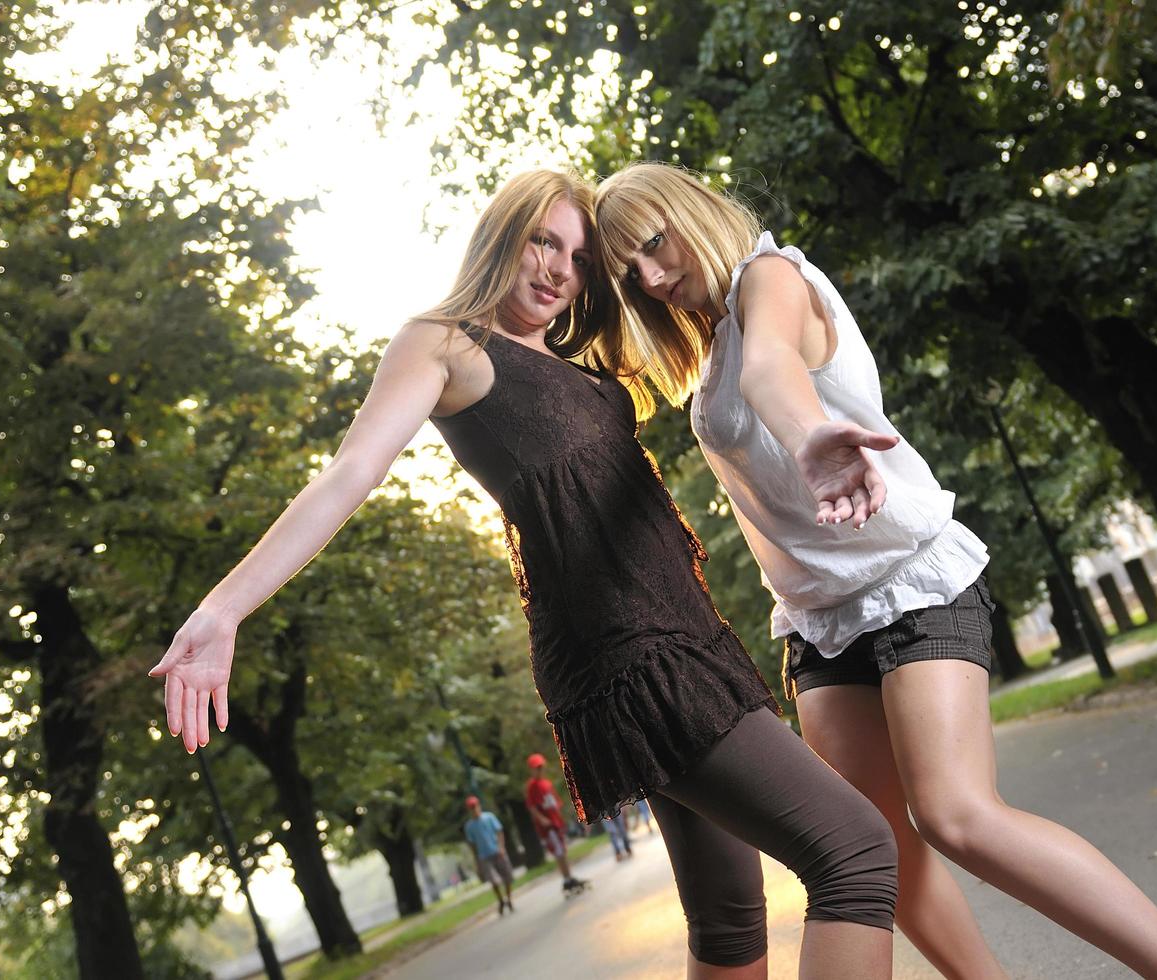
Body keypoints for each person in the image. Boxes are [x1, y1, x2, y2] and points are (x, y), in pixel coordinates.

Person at [148, 170, 899, 979]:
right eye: (544, 240)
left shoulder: (574, 357)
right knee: (854, 855)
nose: (557, 270)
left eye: (578, 258)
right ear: (502, 234)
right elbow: (348, 474)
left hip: (684, 634)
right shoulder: (445, 345)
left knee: (728, 917)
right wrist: (224, 609)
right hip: (631, 653)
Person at [594, 161, 1157, 980]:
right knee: (873, 849)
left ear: (692, 210)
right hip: (821, 623)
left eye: (655, 244)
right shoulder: (711, 344)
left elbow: (773, 371)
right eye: (630, 274)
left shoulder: (769, 276)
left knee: (957, 815)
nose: (653, 277)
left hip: (911, 583)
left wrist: (809, 439)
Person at [525, 752, 589, 889]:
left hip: (556, 822)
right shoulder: (532, 786)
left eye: (541, 767)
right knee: (559, 851)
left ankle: (568, 878)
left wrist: (560, 818)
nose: (540, 770)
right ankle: (567, 879)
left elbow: (555, 803)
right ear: (531, 770)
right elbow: (532, 807)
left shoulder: (546, 783)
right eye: (537, 768)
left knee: (562, 850)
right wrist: (542, 820)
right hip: (548, 827)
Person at [463, 796, 517, 915]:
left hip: (498, 852)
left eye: (475, 806)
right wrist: (476, 860)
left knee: (507, 877)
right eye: (471, 808)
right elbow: (472, 845)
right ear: (469, 810)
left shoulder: (489, 817)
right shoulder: (469, 826)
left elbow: (499, 832)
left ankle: (508, 899)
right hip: (484, 856)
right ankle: (501, 900)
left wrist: (501, 847)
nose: (474, 810)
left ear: (479, 806)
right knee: (494, 881)